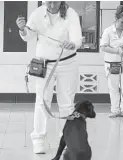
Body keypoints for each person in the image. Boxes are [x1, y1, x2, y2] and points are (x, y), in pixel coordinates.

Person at [16, 1, 82, 154]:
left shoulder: (71, 13)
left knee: (66, 103)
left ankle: (66, 139)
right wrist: (22, 29)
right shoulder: (38, 13)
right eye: (49, 1)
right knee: (42, 101)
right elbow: (28, 36)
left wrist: (72, 44)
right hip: (44, 64)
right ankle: (38, 139)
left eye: (55, 1)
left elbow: (77, 37)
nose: (52, 5)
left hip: (67, 63)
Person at [100, 5, 123, 118]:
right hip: (112, 62)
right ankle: (115, 110)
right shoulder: (108, 31)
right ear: (116, 20)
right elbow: (103, 47)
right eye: (122, 22)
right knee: (113, 86)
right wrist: (117, 51)